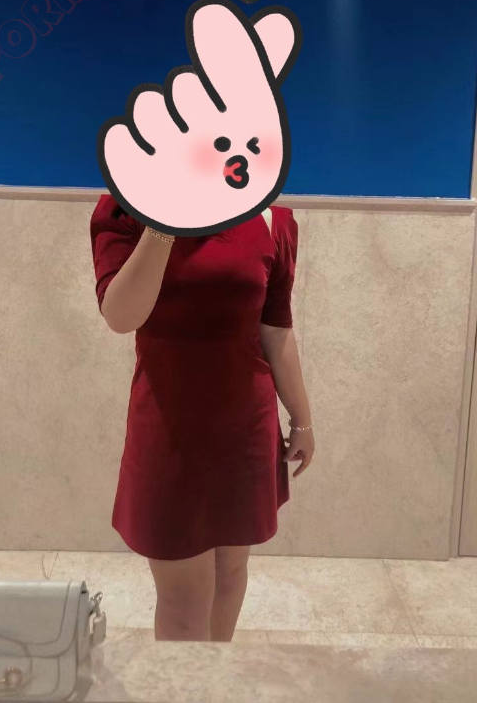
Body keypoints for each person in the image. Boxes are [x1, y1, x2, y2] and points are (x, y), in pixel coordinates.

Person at [90, 195, 314, 642]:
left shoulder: (272, 220)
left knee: (230, 572)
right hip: (168, 427)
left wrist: (302, 419)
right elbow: (121, 315)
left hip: (245, 427)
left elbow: (275, 332)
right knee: (184, 599)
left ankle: (215, 675)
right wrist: (162, 223)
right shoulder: (123, 210)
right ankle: (186, 680)